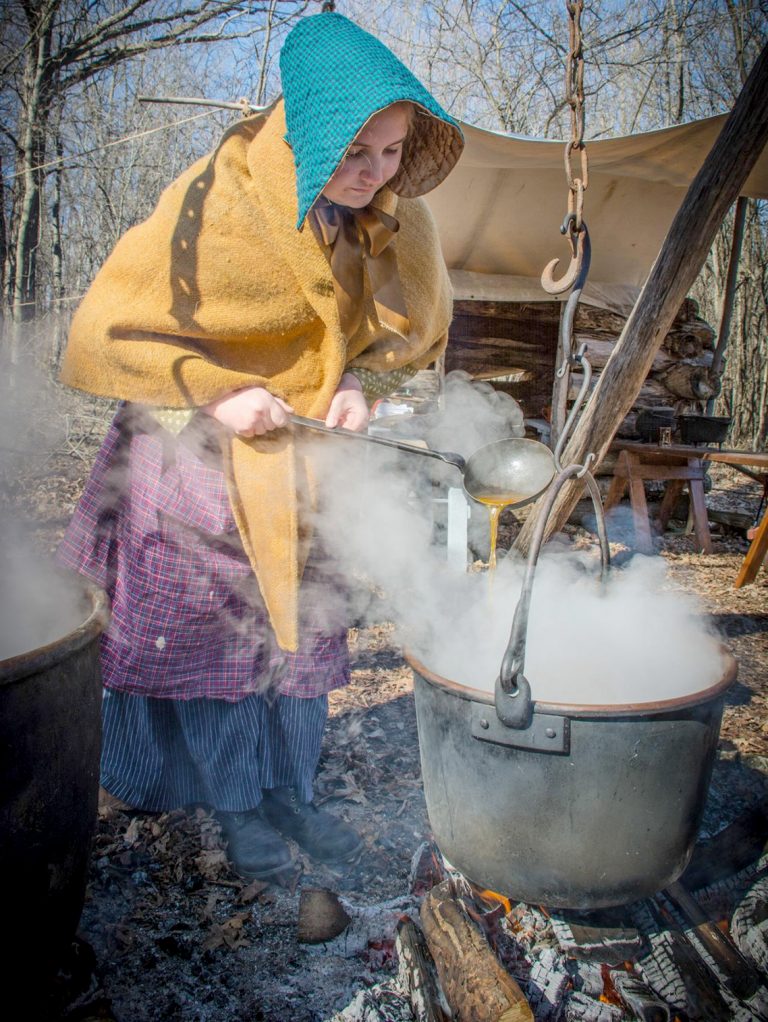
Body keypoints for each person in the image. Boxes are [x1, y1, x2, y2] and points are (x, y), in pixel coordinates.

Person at [57, 10, 463, 882]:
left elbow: (395, 337)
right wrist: (219, 395)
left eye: (392, 151)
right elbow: (116, 333)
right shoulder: (219, 202)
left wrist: (356, 382)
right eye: (356, 152)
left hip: (302, 458)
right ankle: (233, 803)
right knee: (217, 634)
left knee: (300, 632)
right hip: (191, 458)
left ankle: (289, 791)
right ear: (309, 133)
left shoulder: (394, 216)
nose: (375, 173)